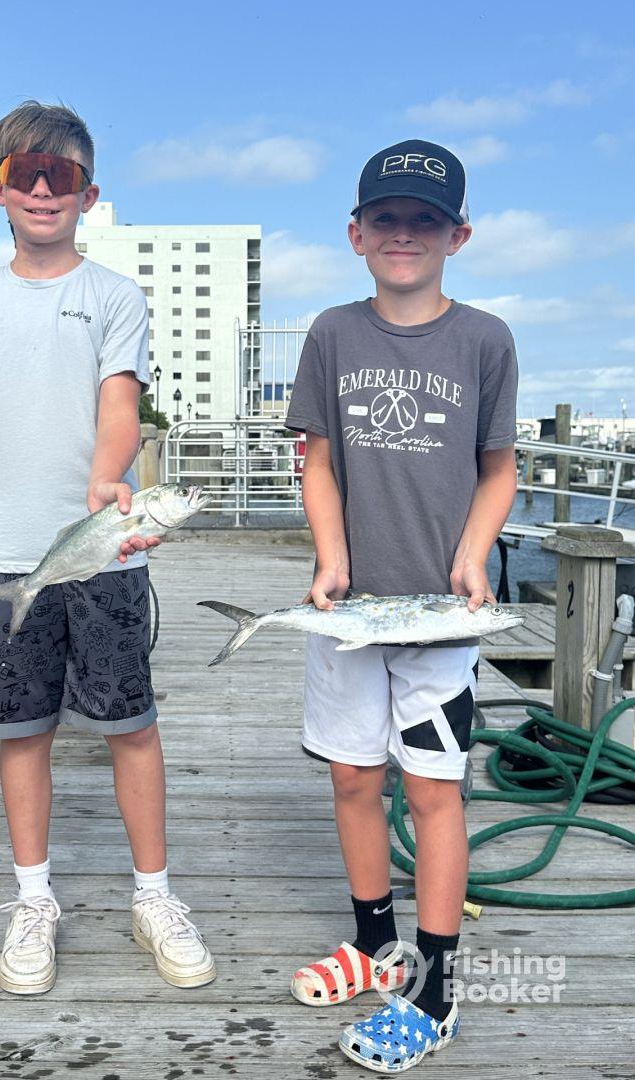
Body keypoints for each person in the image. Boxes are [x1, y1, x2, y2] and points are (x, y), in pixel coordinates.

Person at [0, 100, 215, 996]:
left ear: (90, 193)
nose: (44, 191)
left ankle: (154, 895)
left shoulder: (115, 296)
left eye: (64, 177)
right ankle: (33, 897)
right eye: (26, 174)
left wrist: (108, 475)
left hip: (107, 546)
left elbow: (119, 404)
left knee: (132, 724)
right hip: (6, 557)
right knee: (22, 734)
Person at [284, 139, 518, 1071]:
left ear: (458, 235)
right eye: (387, 218)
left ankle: (434, 986)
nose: (405, 234)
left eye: (426, 220)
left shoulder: (487, 339)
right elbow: (318, 462)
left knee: (432, 793)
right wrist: (331, 557)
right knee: (351, 779)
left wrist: (471, 556)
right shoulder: (332, 334)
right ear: (356, 234)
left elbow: (498, 470)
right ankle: (377, 948)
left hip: (441, 616)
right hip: (349, 612)